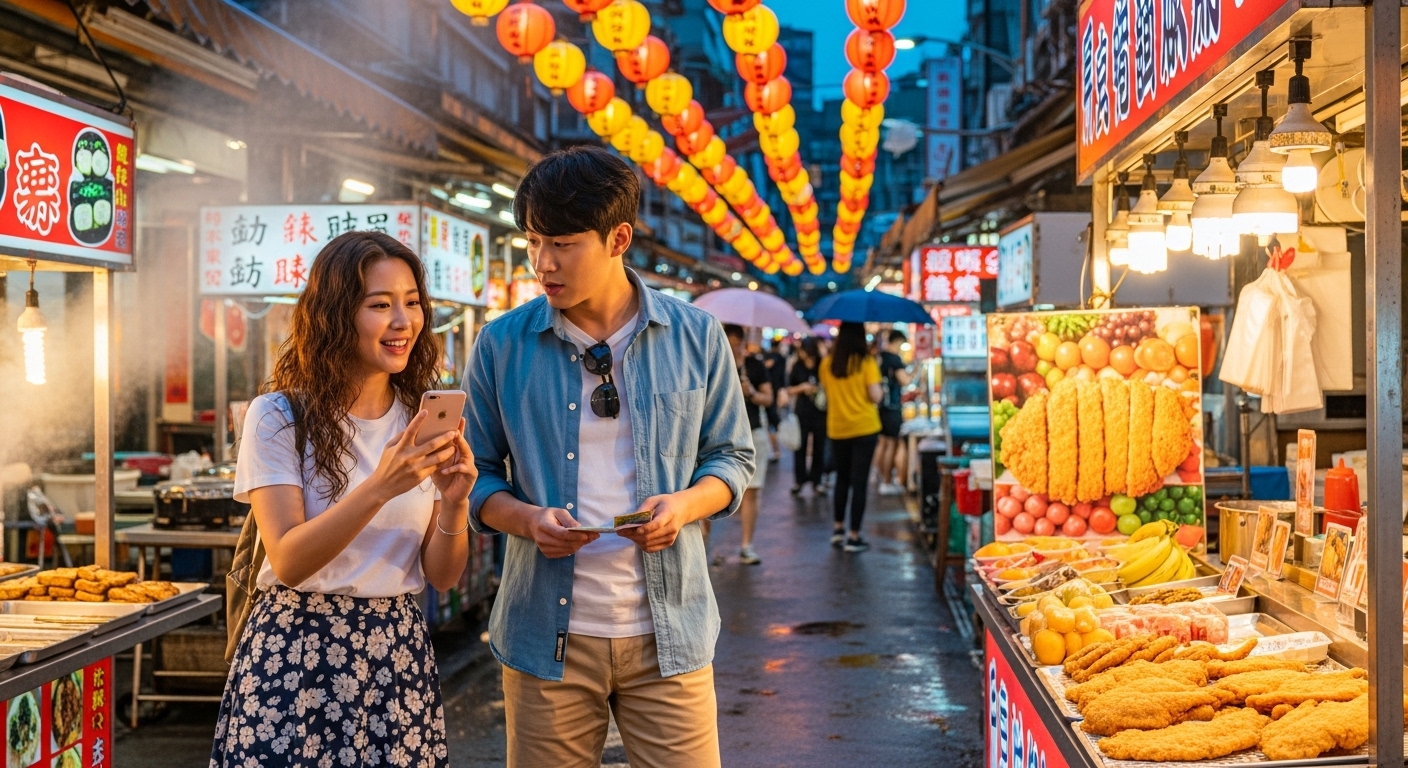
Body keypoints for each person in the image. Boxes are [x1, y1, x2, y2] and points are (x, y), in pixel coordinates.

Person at [463, 146, 754, 768]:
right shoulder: (501, 345)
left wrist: (683, 506)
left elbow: (731, 457)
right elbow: (474, 477)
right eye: (534, 241)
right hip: (546, 635)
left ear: (618, 237)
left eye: (563, 243)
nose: (543, 263)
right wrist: (526, 521)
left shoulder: (695, 335)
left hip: (670, 630)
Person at [212, 232, 476, 767]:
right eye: (380, 305)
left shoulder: (419, 420)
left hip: (396, 653)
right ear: (336, 314)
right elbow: (288, 560)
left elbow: (443, 577)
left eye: (412, 303)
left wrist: (454, 503)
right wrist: (382, 486)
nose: (403, 321)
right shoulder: (279, 415)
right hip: (296, 653)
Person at [818, 322, 883, 552]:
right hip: (864, 428)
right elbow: (875, 396)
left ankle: (837, 530)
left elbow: (826, 392)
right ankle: (854, 536)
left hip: (837, 428)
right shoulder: (866, 362)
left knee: (842, 480)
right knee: (860, 483)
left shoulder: (827, 364)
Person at [724, 323, 774, 565]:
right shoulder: (714, 363)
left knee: (752, 492)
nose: (734, 348)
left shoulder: (754, 365)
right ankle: (701, 547)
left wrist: (751, 392)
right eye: (729, 342)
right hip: (718, 437)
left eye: (737, 343)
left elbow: (768, 398)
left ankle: (746, 545)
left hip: (752, 434)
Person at [786, 337, 827, 495]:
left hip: (820, 411)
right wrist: (802, 388)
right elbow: (789, 389)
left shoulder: (822, 364)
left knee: (819, 447)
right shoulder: (797, 366)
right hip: (802, 411)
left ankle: (817, 481)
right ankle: (799, 480)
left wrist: (817, 388)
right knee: (800, 446)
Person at [876, 329, 913, 495]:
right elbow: (905, 380)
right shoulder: (894, 359)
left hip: (882, 406)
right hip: (892, 407)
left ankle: (880, 478)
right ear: (897, 341)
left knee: (883, 443)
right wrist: (917, 371)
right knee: (891, 443)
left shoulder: (881, 357)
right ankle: (886, 481)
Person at [762, 342, 788, 460]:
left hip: (771, 391)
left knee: (771, 420)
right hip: (777, 390)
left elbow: (768, 365)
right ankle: (775, 449)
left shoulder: (773, 357)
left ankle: (775, 450)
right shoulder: (782, 358)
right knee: (772, 419)